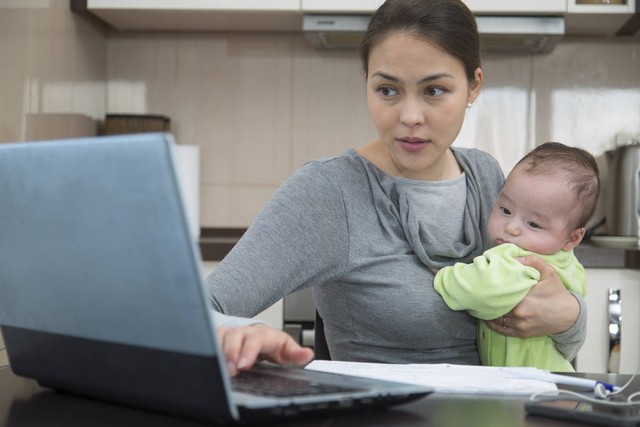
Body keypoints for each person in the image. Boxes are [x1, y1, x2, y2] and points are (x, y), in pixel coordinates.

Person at [209, 0, 587, 374]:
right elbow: (201, 308)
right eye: (388, 90)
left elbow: (548, 321)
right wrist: (244, 332)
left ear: (474, 87)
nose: (410, 117)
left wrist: (571, 317)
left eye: (434, 91)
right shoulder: (330, 191)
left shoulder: (486, 175)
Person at [433, 142, 600, 372]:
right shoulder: (569, 263)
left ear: (572, 238)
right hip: (548, 380)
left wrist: (445, 276)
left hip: (527, 386)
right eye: (505, 210)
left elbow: (480, 290)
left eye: (533, 223)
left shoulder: (519, 259)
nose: (511, 227)